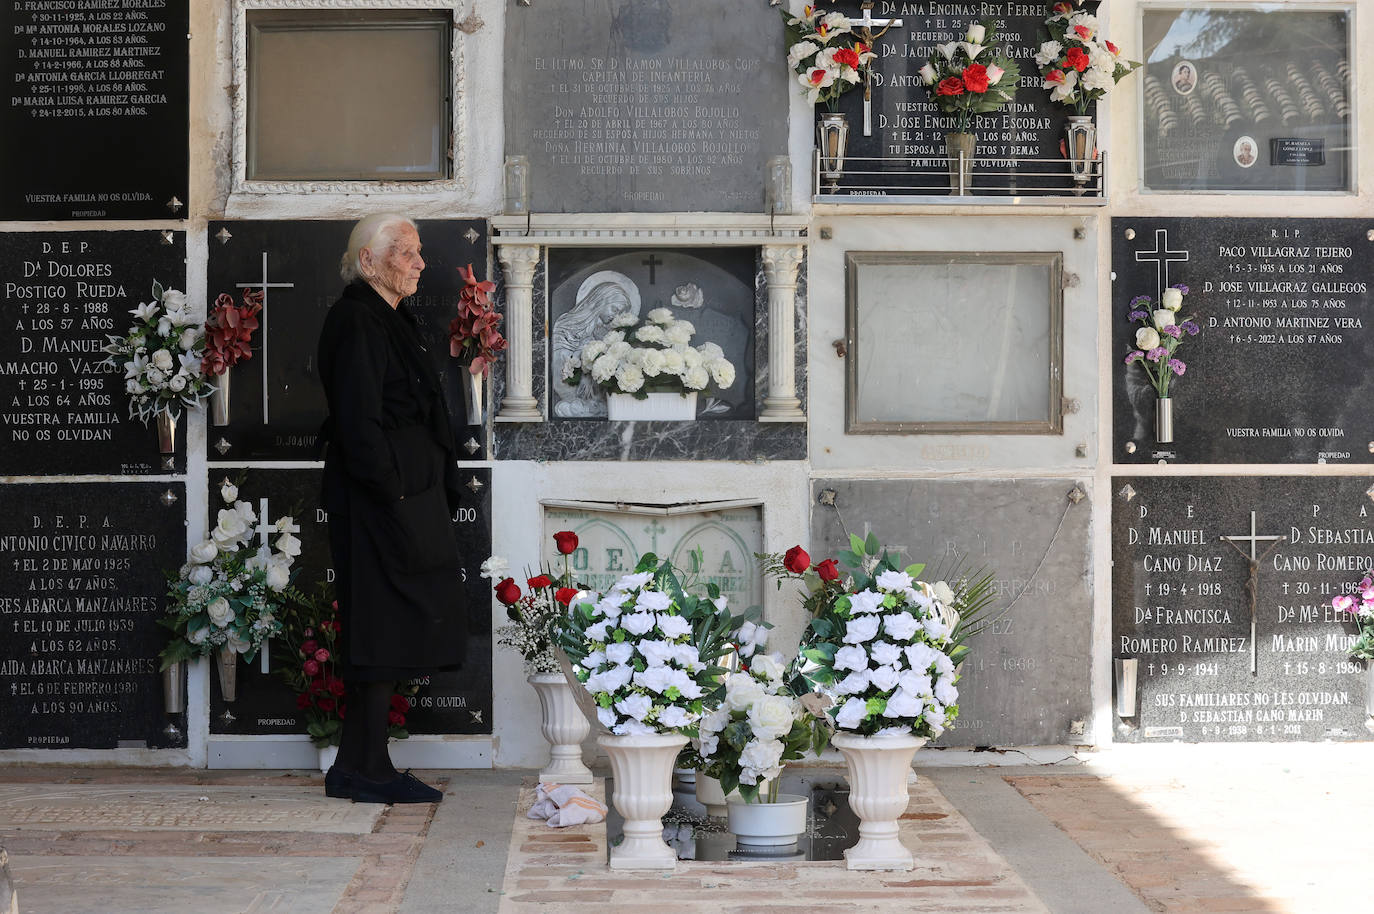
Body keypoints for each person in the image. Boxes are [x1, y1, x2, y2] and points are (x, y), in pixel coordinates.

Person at [316, 214, 464, 804]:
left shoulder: (390, 316)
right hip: (380, 502)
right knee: (379, 627)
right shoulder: (356, 319)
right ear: (369, 261)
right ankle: (368, 769)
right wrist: (396, 491)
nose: (419, 262)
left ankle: (356, 765)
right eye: (405, 252)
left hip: (404, 496)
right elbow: (358, 422)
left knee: (391, 624)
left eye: (419, 251)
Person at [550, 272, 640, 417]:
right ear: (601, 301)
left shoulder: (611, 332)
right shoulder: (568, 323)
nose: (615, 317)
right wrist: (580, 367)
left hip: (598, 391)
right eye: (615, 309)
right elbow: (559, 358)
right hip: (571, 384)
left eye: (620, 313)